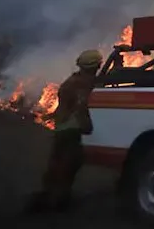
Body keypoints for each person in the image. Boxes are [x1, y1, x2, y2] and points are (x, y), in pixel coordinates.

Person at [27, 49, 102, 214]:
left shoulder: (74, 80)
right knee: (68, 163)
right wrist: (87, 126)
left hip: (62, 128)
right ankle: (56, 201)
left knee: (58, 162)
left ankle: (50, 195)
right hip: (70, 129)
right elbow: (81, 107)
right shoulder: (81, 84)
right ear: (95, 66)